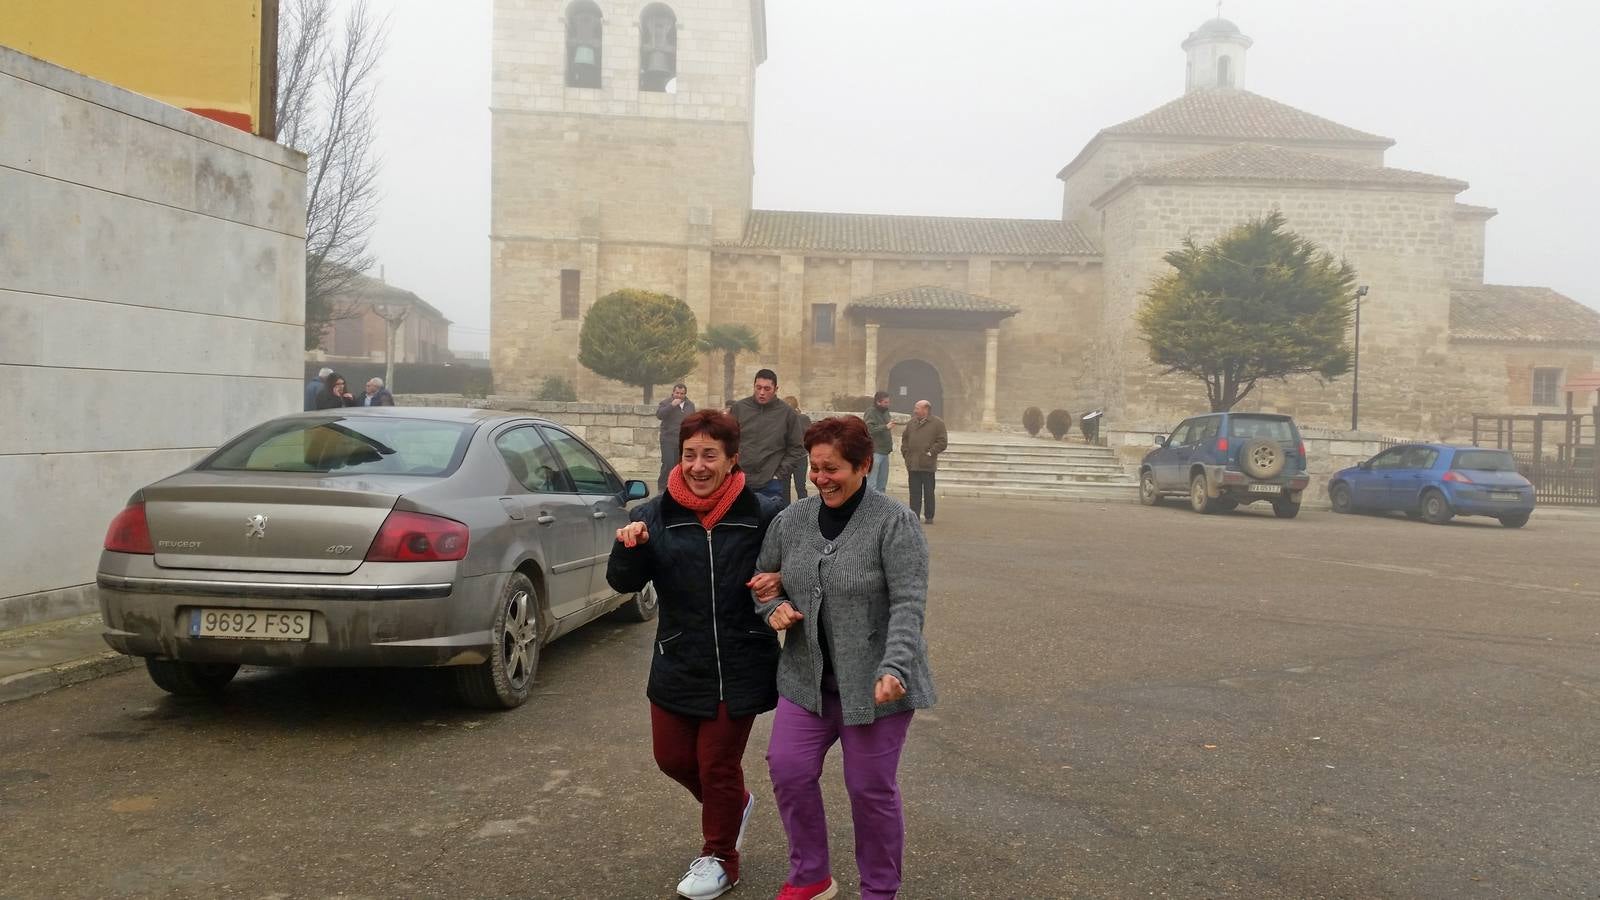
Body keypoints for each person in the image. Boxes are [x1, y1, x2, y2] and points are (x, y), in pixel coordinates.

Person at [749, 416, 936, 900]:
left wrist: (894, 666)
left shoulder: (895, 522)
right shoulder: (791, 520)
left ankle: (879, 889)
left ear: (864, 466)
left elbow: (909, 604)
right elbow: (762, 579)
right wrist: (773, 606)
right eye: (815, 469)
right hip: (806, 680)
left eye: (832, 469)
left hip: (876, 685)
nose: (821, 479)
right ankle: (811, 875)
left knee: (869, 789)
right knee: (788, 769)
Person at [607, 410, 783, 900]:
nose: (699, 466)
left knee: (716, 765)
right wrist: (628, 551)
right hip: (678, 659)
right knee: (672, 759)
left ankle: (721, 856)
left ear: (732, 460)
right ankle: (735, 805)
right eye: (690, 455)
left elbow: (795, 568)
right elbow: (622, 583)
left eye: (710, 455)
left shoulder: (763, 514)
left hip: (741, 660)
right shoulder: (652, 515)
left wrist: (783, 581)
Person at [730, 369, 807, 504]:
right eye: (758, 387)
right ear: (753, 386)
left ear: (776, 389)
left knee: (770, 523)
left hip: (772, 484)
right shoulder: (739, 408)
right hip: (739, 481)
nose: (761, 393)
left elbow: (796, 448)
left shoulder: (787, 414)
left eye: (767, 389)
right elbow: (727, 440)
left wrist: (779, 475)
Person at [899, 400, 947, 525]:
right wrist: (906, 453)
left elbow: (942, 442)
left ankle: (929, 516)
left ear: (926, 409)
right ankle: (914, 515)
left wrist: (931, 452)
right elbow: (905, 439)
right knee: (914, 492)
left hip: (927, 465)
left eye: (917, 408)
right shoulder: (911, 423)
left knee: (929, 492)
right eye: (915, 408)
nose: (915, 410)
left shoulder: (938, 424)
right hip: (912, 464)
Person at [657, 383, 697, 493]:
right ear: (673, 392)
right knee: (668, 463)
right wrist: (672, 406)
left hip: (683, 440)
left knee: (680, 464)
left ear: (685, 394)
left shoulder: (690, 405)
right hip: (668, 439)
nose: (679, 396)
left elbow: (693, 421)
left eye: (682, 393)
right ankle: (662, 486)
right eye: (677, 393)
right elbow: (659, 415)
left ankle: (676, 487)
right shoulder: (666, 403)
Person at [863, 391, 896, 493]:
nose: (888, 404)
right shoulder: (871, 412)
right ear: (878, 402)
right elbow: (868, 429)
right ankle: (869, 505)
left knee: (882, 483)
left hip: (885, 451)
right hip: (875, 451)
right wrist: (885, 427)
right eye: (885, 402)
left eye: (888, 402)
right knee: (872, 482)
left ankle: (881, 506)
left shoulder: (886, 412)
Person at [784, 396, 811, 500]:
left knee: (786, 487)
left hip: (789, 457)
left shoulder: (783, 419)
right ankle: (803, 510)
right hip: (799, 456)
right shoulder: (803, 418)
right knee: (800, 487)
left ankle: (786, 510)